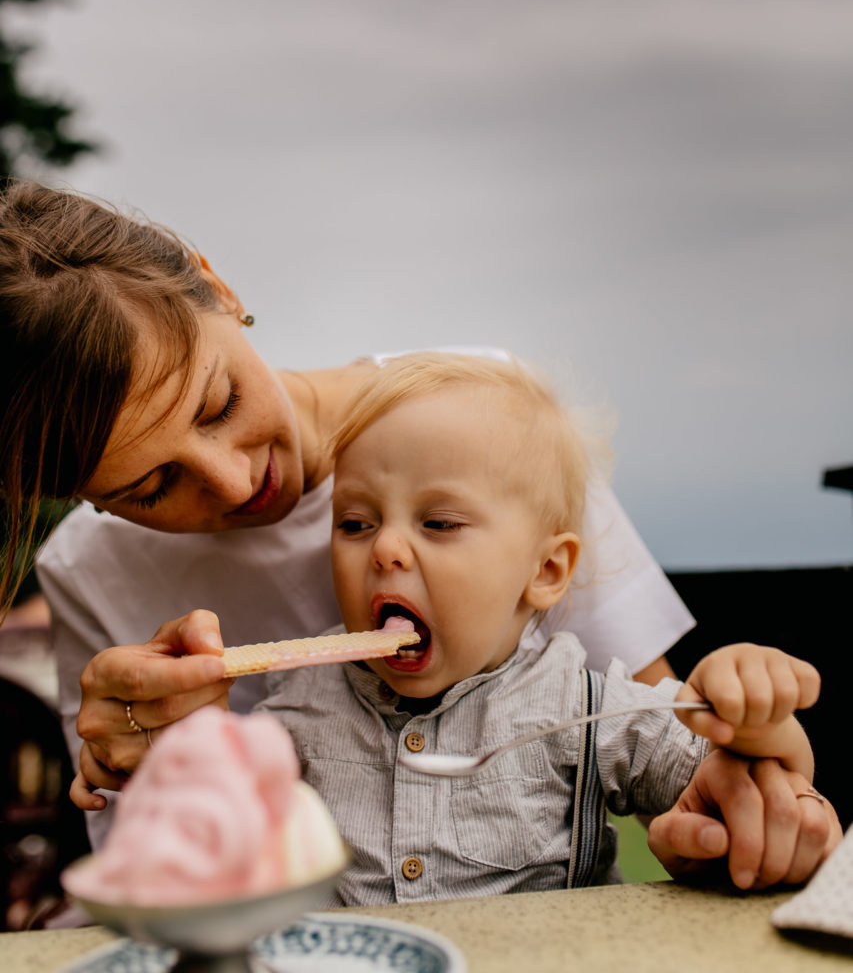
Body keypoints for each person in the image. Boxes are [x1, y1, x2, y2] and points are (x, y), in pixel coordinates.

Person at [0, 179, 836, 886]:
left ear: (218, 288)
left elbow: (677, 743)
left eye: (218, 404)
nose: (233, 481)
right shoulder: (92, 568)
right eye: (148, 488)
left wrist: (731, 813)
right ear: (75, 498)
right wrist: (140, 768)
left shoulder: (481, 419)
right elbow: (153, 878)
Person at [255, 352, 831, 903]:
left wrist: (752, 720)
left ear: (546, 570)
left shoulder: (584, 708)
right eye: (355, 524)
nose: (385, 548)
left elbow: (733, 781)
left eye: (439, 522)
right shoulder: (295, 710)